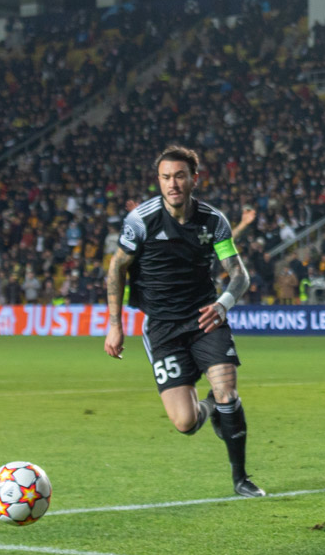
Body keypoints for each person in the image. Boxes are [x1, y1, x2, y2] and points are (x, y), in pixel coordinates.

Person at [104, 145, 264, 497]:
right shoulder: (140, 221)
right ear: (158, 181)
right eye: (165, 177)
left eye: (179, 176)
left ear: (194, 179)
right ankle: (212, 408)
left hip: (205, 318)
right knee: (186, 422)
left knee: (227, 390)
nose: (172, 184)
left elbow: (239, 274)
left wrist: (223, 304)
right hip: (163, 327)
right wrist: (115, 324)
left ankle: (241, 479)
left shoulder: (213, 221)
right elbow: (117, 268)